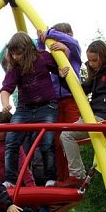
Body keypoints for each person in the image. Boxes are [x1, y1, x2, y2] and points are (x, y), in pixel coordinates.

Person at [59, 40, 106, 188]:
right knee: (65, 135)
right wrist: (63, 79)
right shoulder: (98, 73)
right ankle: (77, 174)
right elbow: (81, 91)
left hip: (103, 118)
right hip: (93, 116)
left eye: (95, 60)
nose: (92, 64)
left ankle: (77, 175)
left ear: (104, 56)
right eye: (90, 60)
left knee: (66, 135)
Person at [0, 31, 69, 187]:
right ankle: (10, 179)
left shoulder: (43, 58)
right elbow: (6, 88)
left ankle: (50, 178)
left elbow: (62, 63)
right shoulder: (15, 67)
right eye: (13, 54)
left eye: (19, 53)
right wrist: (5, 104)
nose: (16, 57)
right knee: (11, 141)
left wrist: (62, 64)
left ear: (28, 50)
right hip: (25, 108)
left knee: (47, 142)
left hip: (47, 106)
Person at [37, 23, 83, 183]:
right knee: (57, 140)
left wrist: (49, 32)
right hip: (55, 101)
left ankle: (73, 175)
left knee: (69, 137)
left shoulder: (74, 53)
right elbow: (40, 58)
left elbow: (73, 43)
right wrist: (41, 41)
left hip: (72, 99)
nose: (55, 42)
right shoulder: (53, 58)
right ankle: (60, 176)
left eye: (59, 37)